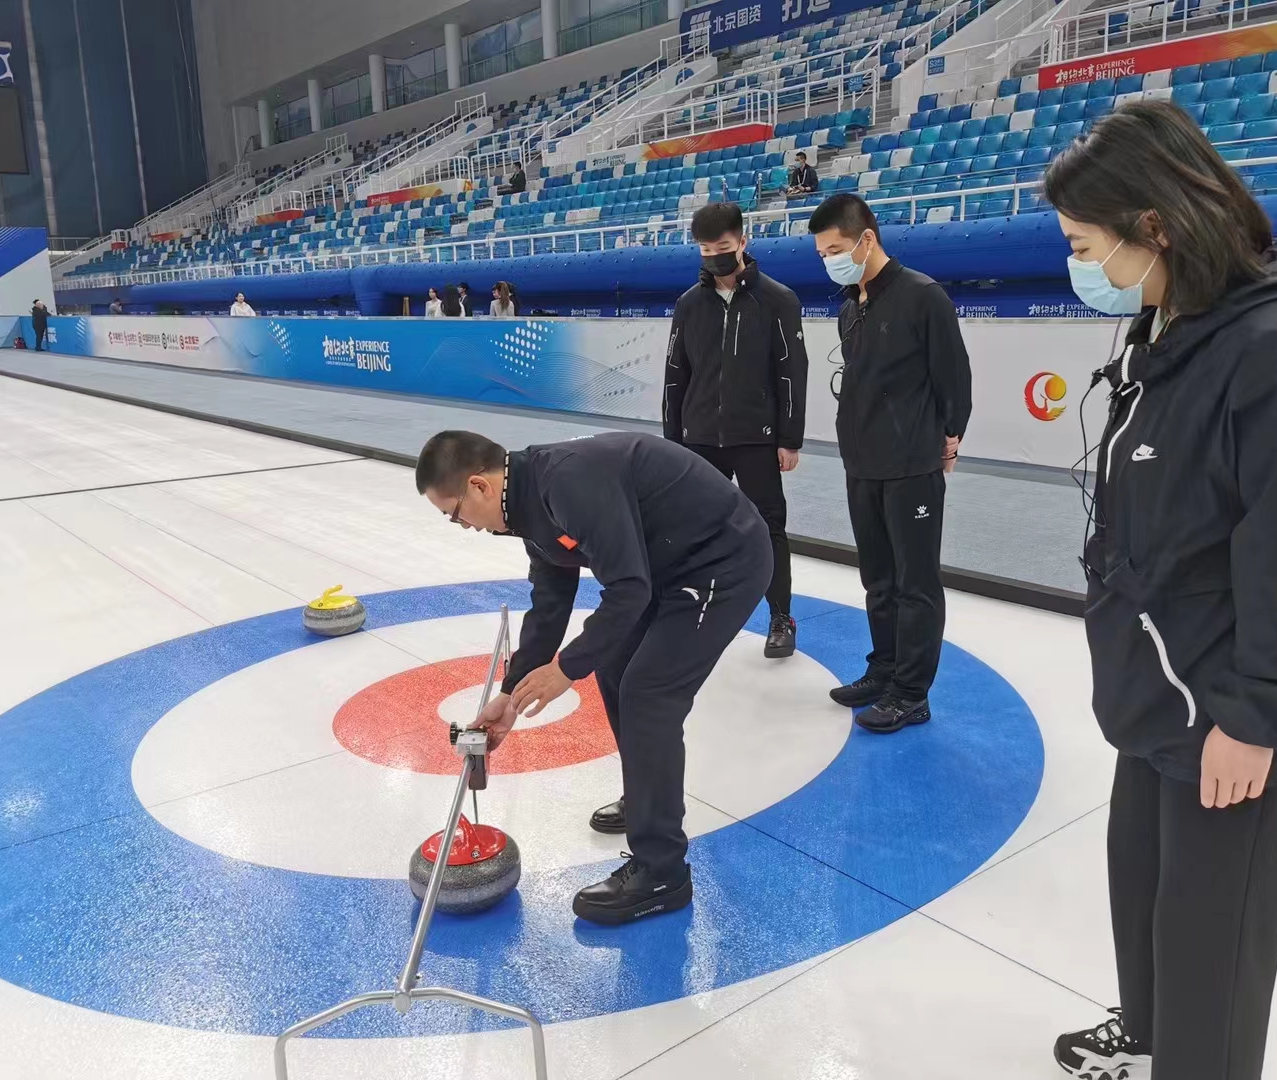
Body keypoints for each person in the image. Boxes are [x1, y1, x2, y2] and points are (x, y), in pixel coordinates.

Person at [1040, 100, 1277, 1080]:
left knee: (1212, 964)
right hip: (1163, 698)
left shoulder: (1276, 351)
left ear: (1152, 226)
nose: (1077, 265)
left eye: (1083, 244)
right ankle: (1148, 1037)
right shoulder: (1165, 329)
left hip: (1235, 720)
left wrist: (1258, 718)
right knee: (1146, 901)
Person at [415, 430, 771, 923]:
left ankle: (662, 872)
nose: (463, 526)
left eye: (454, 514)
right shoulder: (525, 501)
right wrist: (510, 695)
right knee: (615, 662)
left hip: (722, 561)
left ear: (478, 486)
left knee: (649, 693)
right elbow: (551, 600)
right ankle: (646, 798)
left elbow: (628, 588)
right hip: (666, 567)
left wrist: (565, 668)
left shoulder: (567, 482)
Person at [809, 193, 970, 733]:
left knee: (914, 583)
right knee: (877, 579)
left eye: (835, 249)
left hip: (911, 464)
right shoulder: (850, 308)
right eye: (822, 254)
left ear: (866, 239)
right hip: (862, 463)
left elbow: (954, 377)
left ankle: (911, 692)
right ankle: (883, 670)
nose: (829, 260)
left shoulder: (924, 297)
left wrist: (950, 439)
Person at [665, 201, 808, 658]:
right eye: (705, 249)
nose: (715, 256)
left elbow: (791, 373)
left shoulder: (778, 300)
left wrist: (789, 438)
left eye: (723, 246)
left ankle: (781, 617)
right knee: (696, 528)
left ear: (743, 241)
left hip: (756, 439)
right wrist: (673, 441)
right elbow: (675, 375)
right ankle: (690, 612)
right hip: (700, 438)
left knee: (768, 528)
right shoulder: (689, 304)